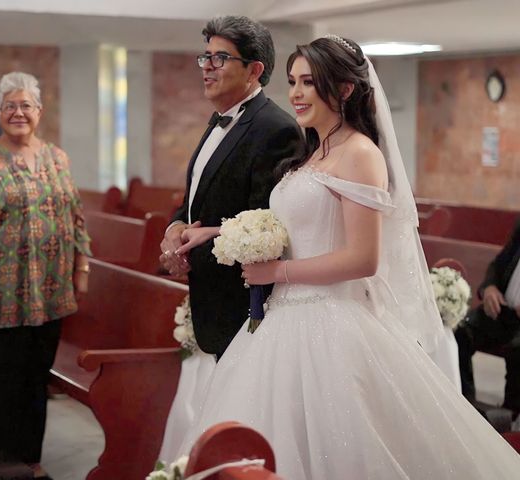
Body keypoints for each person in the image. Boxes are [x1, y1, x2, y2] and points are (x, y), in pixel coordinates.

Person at [176, 36, 520, 479]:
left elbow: (363, 259)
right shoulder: (313, 153)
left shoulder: (360, 153)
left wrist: (277, 270)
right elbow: (299, 228)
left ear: (343, 90)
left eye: (308, 83)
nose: (296, 94)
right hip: (279, 319)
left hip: (333, 319)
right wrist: (221, 231)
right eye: (292, 82)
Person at [0, 72, 91, 478]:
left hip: (51, 294)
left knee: (34, 384)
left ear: (39, 111)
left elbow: (75, 217)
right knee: (0, 388)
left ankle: (29, 463)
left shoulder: (56, 158)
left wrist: (82, 267)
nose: (18, 113)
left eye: (26, 105)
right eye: (9, 106)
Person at [159, 15, 304, 359]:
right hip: (211, 298)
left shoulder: (275, 129)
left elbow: (267, 224)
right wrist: (175, 228)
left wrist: (191, 253)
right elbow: (196, 199)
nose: (207, 67)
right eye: (205, 57)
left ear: (254, 70)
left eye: (220, 58)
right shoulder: (218, 121)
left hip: (242, 303)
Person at [455, 218, 520, 420]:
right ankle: (466, 406)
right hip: (501, 310)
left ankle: (510, 418)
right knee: (460, 331)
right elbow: (498, 263)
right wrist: (490, 287)